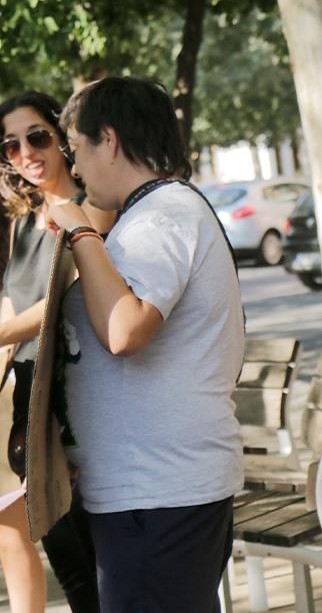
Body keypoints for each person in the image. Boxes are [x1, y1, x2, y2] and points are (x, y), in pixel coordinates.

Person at [48, 77, 244, 612]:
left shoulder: (163, 215)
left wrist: (80, 231)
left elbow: (123, 330)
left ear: (108, 139)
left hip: (159, 493)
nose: (77, 167)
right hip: (152, 491)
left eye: (78, 148)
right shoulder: (154, 214)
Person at [0, 91, 111, 613]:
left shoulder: (92, 210)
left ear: (62, 138)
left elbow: (55, 302)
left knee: (103, 570)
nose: (26, 152)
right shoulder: (25, 221)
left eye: (37, 136)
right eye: (11, 145)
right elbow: (10, 305)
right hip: (31, 414)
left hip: (77, 410)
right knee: (71, 568)